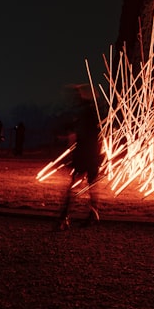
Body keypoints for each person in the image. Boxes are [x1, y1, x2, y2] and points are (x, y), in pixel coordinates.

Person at [58, 85, 103, 230]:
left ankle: (65, 217)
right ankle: (93, 214)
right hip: (92, 155)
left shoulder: (85, 114)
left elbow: (83, 135)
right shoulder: (93, 113)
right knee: (90, 186)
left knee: (74, 187)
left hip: (86, 155)